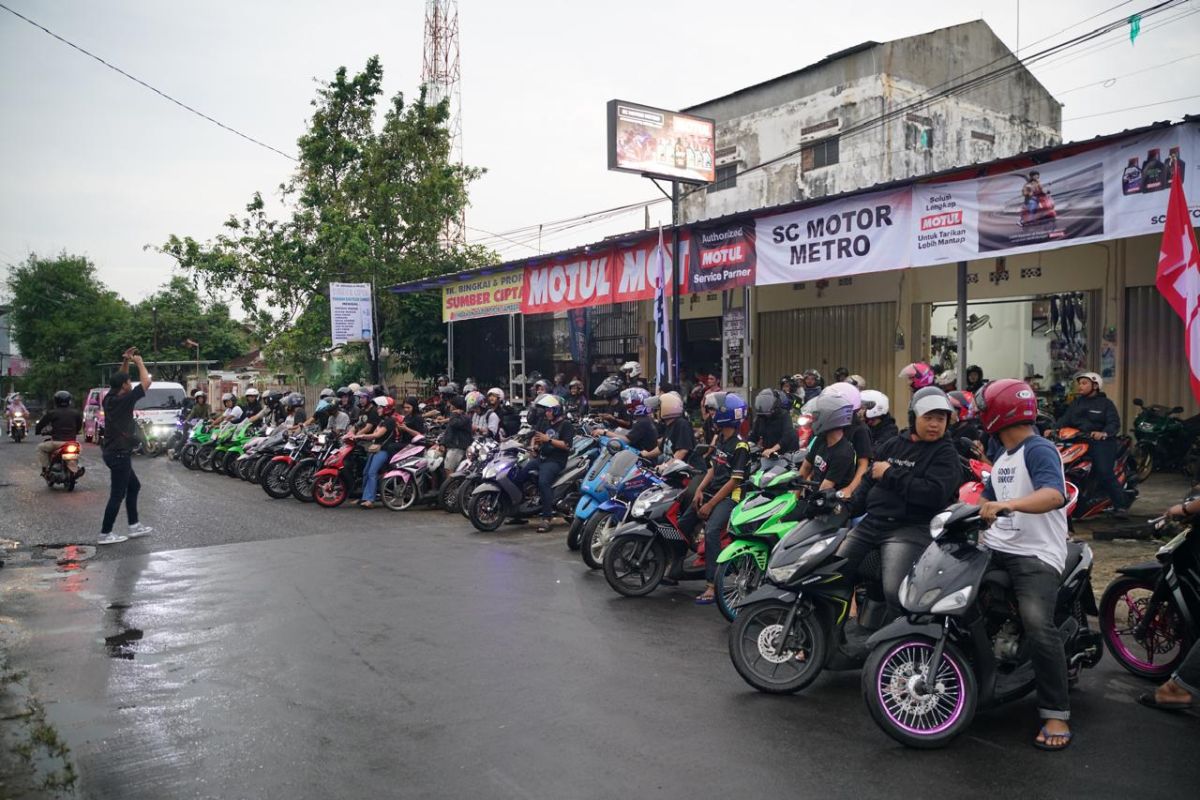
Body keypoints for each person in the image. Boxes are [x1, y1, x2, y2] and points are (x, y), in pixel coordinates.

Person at [975, 378, 1073, 751]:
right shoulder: (1003, 456)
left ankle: (1055, 712)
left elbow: (1054, 494)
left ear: (999, 412)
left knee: (1037, 624)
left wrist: (1009, 504)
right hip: (998, 547)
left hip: (1036, 553)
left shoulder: (1039, 449)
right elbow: (984, 499)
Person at [839, 387, 961, 619]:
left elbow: (933, 494)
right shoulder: (892, 445)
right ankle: (835, 632)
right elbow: (867, 483)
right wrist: (845, 507)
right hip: (871, 524)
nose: (935, 424)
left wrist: (890, 474)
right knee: (834, 573)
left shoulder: (945, 454)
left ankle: (899, 638)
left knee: (895, 592)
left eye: (940, 419)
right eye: (929, 417)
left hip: (909, 528)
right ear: (914, 417)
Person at [688, 392, 749, 605]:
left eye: (715, 411)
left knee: (712, 530)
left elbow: (734, 482)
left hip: (731, 496)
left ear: (726, 415)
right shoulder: (721, 439)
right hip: (714, 491)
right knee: (685, 517)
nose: (711, 414)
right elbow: (713, 469)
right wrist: (699, 490)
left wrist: (711, 504)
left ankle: (712, 586)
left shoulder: (740, 446)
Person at [98, 348, 155, 545]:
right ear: (124, 386)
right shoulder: (126, 399)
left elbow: (119, 379)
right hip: (119, 454)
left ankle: (134, 525)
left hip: (112, 451)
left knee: (134, 486)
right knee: (117, 494)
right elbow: (147, 382)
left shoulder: (109, 398)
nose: (131, 384)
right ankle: (105, 533)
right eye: (129, 382)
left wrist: (125, 361)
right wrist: (139, 362)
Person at [1054, 371, 1126, 516]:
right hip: (1078, 441)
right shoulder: (1076, 403)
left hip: (1101, 442)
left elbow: (1114, 423)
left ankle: (1121, 505)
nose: (1080, 386)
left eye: (1084, 383)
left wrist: (1103, 433)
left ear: (1095, 386)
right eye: (1079, 383)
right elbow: (1064, 420)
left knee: (1104, 471)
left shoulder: (1106, 404)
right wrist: (1053, 429)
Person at [529, 393, 577, 533]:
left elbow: (567, 445)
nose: (547, 413)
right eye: (546, 410)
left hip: (555, 461)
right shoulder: (545, 423)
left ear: (557, 410)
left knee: (544, 482)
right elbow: (536, 437)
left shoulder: (566, 425)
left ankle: (546, 518)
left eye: (549, 410)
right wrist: (534, 447)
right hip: (541, 458)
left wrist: (548, 440)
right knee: (522, 472)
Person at [823, 382, 873, 497]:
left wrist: (850, 489)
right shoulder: (829, 426)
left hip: (841, 489)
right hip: (824, 480)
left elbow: (863, 465)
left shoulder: (860, 430)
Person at [800, 393, 858, 492]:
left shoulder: (843, 453)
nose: (814, 420)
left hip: (828, 498)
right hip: (814, 494)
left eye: (817, 416)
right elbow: (806, 467)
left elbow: (825, 488)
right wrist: (794, 496)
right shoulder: (821, 439)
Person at [349, 396, 398, 509]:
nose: (378, 409)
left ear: (386, 408)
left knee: (372, 473)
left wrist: (360, 436)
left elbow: (377, 435)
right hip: (375, 449)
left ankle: (370, 500)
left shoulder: (390, 421)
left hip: (383, 450)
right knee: (366, 472)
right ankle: (364, 497)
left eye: (380, 407)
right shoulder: (382, 420)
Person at [35, 390, 83, 474]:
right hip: (72, 443)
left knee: (40, 448)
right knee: (78, 450)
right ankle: (76, 466)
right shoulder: (76, 413)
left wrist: (38, 431)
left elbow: (41, 424)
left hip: (56, 443)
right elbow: (79, 426)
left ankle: (45, 469)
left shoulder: (52, 413)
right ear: (69, 401)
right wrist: (75, 432)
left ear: (56, 401)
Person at [604, 388, 659, 457]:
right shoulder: (643, 419)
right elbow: (631, 434)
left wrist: (605, 432)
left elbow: (627, 440)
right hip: (637, 456)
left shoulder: (642, 422)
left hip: (643, 459)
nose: (626, 404)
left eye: (629, 402)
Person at [750, 389, 799, 457]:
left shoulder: (784, 415)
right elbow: (753, 436)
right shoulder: (761, 417)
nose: (765, 404)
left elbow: (787, 436)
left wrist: (772, 449)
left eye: (767, 402)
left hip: (786, 454)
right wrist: (747, 445)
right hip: (768, 454)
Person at [441, 395, 472, 476]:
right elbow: (448, 431)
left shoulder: (465, 417)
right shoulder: (455, 417)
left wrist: (454, 414)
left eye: (451, 405)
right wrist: (442, 443)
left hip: (457, 447)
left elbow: (454, 424)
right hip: (451, 446)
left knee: (449, 469)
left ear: (455, 406)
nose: (449, 407)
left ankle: (450, 484)